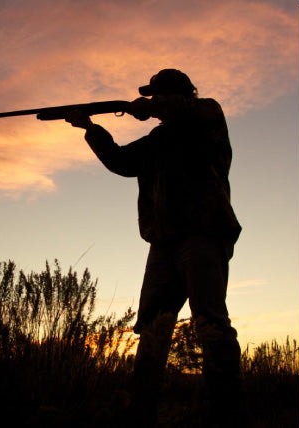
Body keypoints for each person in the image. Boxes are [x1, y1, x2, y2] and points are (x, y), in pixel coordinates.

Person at [66, 69, 242, 426]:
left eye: (157, 96)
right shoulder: (158, 139)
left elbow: (184, 110)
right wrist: (89, 128)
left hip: (204, 233)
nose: (151, 102)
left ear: (174, 96)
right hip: (164, 242)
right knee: (152, 328)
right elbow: (121, 162)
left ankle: (228, 416)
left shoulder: (208, 115)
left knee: (210, 323)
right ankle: (141, 413)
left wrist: (147, 107)